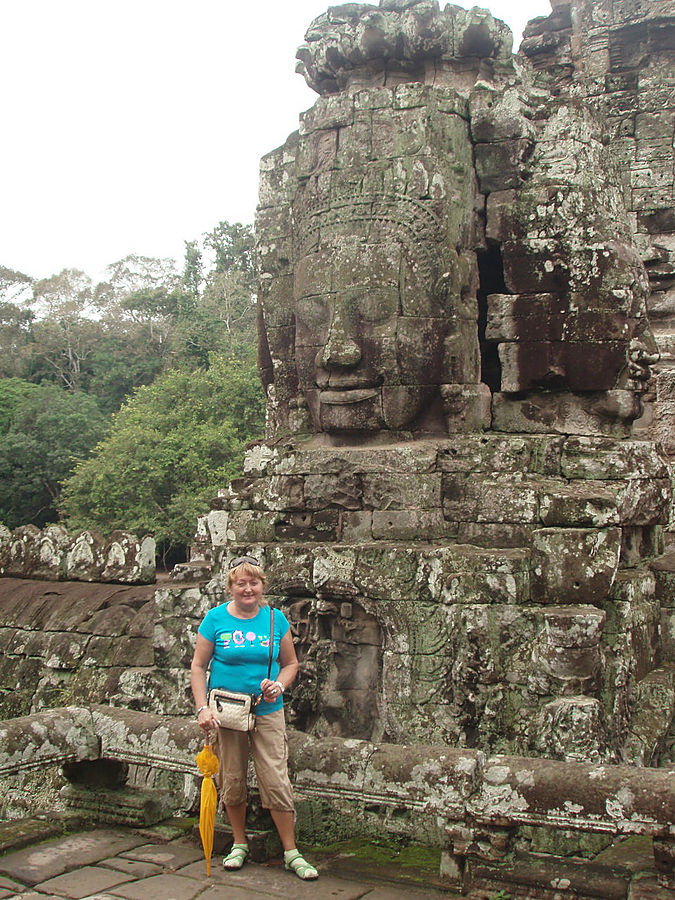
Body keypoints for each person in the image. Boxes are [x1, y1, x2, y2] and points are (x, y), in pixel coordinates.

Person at [190, 555, 318, 881]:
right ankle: (238, 842)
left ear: (263, 585)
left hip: (267, 710)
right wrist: (202, 707)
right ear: (230, 586)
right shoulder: (215, 619)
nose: (248, 589)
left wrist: (279, 685)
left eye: (254, 582)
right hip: (227, 713)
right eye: (241, 583)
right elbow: (198, 666)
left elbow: (291, 664)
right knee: (231, 777)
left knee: (275, 778)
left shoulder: (275, 620)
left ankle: (291, 851)